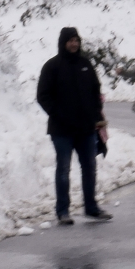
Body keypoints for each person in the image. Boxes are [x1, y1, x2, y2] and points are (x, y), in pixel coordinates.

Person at [36, 27, 113, 225]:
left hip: (86, 129)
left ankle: (91, 208)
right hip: (61, 130)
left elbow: (96, 92)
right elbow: (43, 96)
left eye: (76, 40)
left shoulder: (85, 64)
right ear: (63, 42)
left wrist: (96, 114)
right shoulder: (52, 66)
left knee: (89, 167)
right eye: (70, 40)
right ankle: (63, 211)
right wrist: (59, 114)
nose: (74, 44)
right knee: (63, 169)